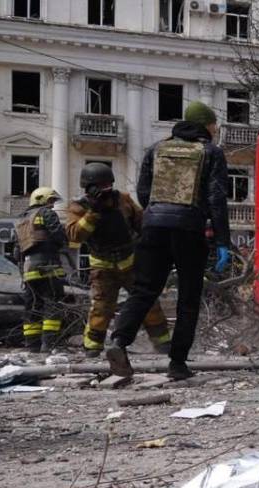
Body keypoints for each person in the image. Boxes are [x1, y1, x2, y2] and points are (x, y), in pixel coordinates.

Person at [105, 101, 231, 380]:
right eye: (214, 126)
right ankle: (177, 364)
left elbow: (143, 191)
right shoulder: (211, 152)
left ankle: (118, 342)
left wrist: (157, 215)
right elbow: (216, 198)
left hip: (153, 227)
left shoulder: (157, 149)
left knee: (143, 290)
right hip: (189, 229)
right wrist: (223, 240)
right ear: (207, 126)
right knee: (188, 297)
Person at [65, 162, 172, 357]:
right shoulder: (80, 207)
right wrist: (93, 213)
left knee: (148, 303)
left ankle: (164, 345)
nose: (106, 190)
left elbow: (142, 224)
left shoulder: (123, 200)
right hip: (102, 266)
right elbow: (75, 236)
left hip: (131, 261)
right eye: (101, 185)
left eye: (108, 185)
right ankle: (92, 349)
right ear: (89, 187)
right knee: (101, 308)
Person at [15, 187, 68, 352]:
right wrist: (63, 242)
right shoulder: (46, 214)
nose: (52, 205)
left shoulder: (21, 219)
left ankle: (32, 346)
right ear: (41, 200)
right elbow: (59, 236)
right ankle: (49, 344)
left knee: (32, 308)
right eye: (50, 201)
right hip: (49, 267)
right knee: (53, 304)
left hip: (29, 271)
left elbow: (17, 250)